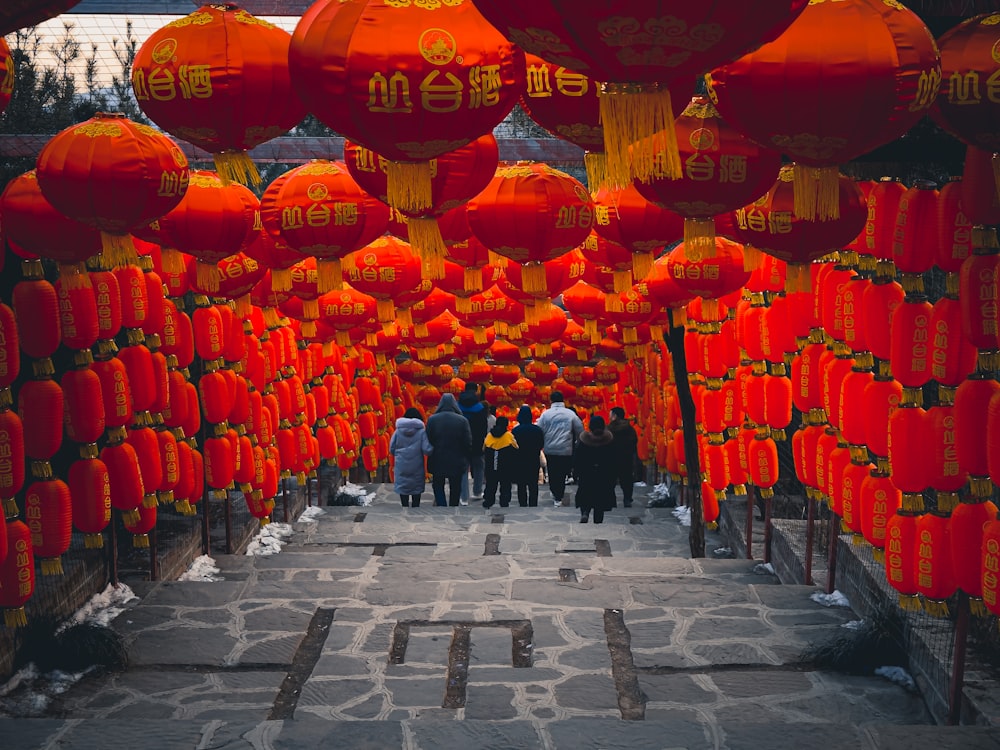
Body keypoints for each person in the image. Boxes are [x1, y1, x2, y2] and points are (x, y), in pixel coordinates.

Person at [536, 390, 583, 507]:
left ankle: (555, 492)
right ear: (563, 400)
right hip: (565, 448)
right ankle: (558, 495)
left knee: (552, 471)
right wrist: (576, 443)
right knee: (562, 473)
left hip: (550, 448)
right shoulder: (570, 414)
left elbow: (539, 430)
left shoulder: (545, 414)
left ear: (551, 400)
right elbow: (580, 431)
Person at [425, 393, 473, 507]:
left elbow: (427, 438)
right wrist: (467, 457)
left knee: (438, 484)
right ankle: (453, 505)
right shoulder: (462, 420)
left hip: (437, 457)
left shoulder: (432, 419)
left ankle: (441, 504)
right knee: (455, 484)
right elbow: (467, 441)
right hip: (457, 458)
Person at [573, 414, 616, 524]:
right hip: (604, 473)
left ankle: (585, 512)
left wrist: (576, 472)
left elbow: (577, 458)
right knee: (600, 497)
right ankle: (598, 519)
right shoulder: (609, 440)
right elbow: (614, 458)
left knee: (585, 493)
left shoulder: (584, 440)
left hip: (586, 472)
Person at [388, 407, 433, 507]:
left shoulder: (398, 431)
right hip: (416, 465)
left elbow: (391, 448)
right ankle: (415, 506)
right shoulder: (421, 432)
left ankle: (404, 506)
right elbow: (427, 449)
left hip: (401, 464)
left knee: (403, 485)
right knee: (416, 486)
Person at [458, 382, 489, 504]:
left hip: (462, 442)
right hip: (477, 442)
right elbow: (483, 427)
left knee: (463, 469)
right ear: (476, 391)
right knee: (479, 466)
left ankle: (464, 497)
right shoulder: (480, 408)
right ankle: (477, 491)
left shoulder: (458, 406)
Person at [510, 404, 544, 507]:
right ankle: (533, 503)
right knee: (533, 483)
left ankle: (523, 503)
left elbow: (513, 446)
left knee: (521, 483)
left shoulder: (515, 430)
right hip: (533, 458)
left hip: (519, 459)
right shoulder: (537, 430)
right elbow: (541, 444)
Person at [482, 416, 518, 509]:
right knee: (505, 484)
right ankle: (504, 501)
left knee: (490, 483)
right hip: (505, 465)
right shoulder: (509, 436)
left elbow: (484, 448)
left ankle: (489, 500)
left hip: (491, 464)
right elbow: (516, 447)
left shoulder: (489, 435)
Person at [607, 406, 640, 508]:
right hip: (626, 457)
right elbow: (634, 441)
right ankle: (627, 499)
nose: (609, 416)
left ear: (615, 416)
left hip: (611, 457)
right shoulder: (629, 428)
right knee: (626, 479)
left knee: (610, 480)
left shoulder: (609, 429)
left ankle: (611, 500)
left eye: (610, 414)